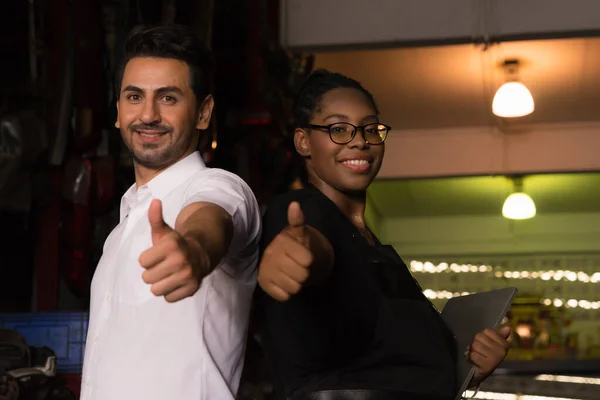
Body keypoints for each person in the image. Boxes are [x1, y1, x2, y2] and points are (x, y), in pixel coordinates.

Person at [254, 69, 511, 400]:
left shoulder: (373, 246)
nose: (360, 140)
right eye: (339, 129)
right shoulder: (305, 213)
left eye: (370, 128)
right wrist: (298, 253)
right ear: (304, 141)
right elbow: (312, 245)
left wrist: (471, 366)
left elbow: (402, 364)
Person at [80, 25, 261, 400]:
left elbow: (209, 222)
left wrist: (194, 251)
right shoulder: (121, 230)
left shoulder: (219, 187)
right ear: (118, 112)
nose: (148, 115)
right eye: (134, 97)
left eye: (168, 98)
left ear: (203, 112)